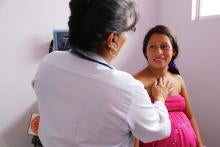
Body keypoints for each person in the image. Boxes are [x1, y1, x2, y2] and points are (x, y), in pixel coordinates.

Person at [32, 1, 172, 147]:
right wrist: (160, 99)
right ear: (112, 39)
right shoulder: (127, 89)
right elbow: (159, 130)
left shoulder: (48, 63)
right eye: (130, 30)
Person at [134, 25, 204, 147]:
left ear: (174, 51)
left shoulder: (178, 79)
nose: (159, 52)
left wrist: (200, 144)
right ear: (145, 52)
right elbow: (134, 130)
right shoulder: (137, 83)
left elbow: (191, 117)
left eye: (164, 46)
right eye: (152, 47)